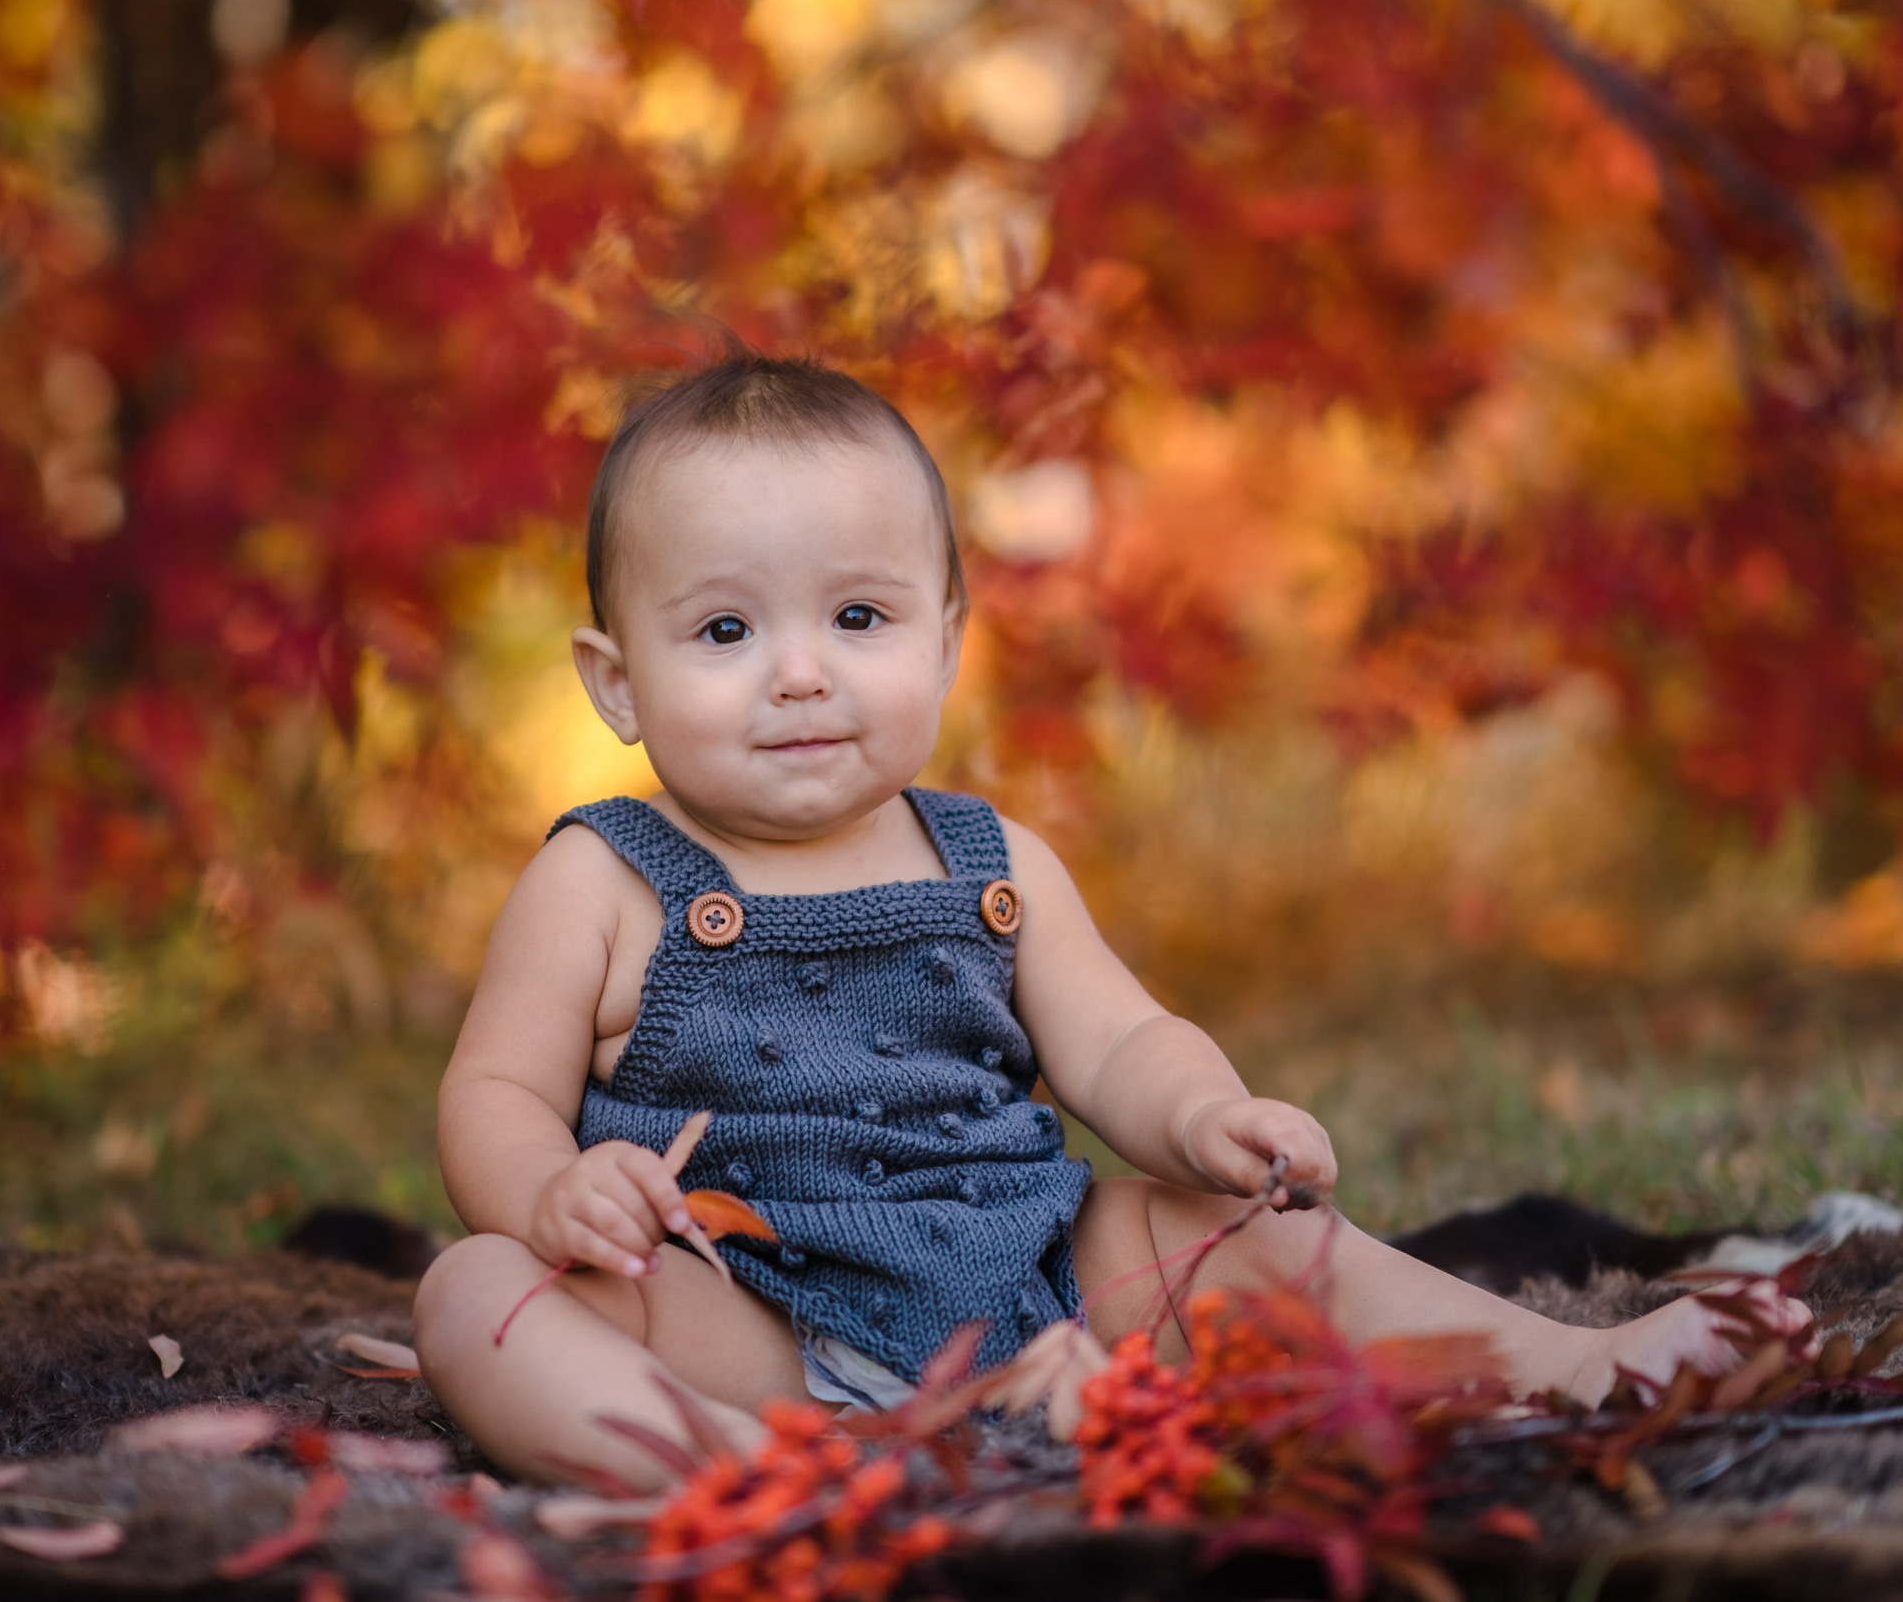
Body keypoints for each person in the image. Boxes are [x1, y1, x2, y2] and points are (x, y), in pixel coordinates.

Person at [415, 351, 1809, 1487]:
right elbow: (494, 1089)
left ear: (948, 637)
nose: (798, 674)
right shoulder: (606, 878)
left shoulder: (991, 859)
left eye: (857, 615)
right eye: (724, 632)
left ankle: (1566, 1367)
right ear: (615, 682)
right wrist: (550, 1192)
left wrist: (1205, 1113)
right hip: (748, 1319)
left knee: (1228, 1225)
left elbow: (1118, 1040)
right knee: (477, 1294)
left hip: (1035, 1282)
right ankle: (756, 1462)